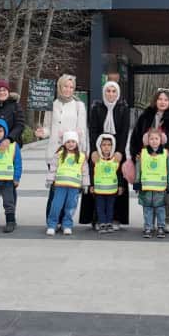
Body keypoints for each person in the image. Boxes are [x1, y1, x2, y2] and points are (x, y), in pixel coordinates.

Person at [128, 88, 169, 231]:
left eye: (166, 99)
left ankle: (166, 220)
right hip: (147, 160)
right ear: (155, 100)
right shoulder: (145, 116)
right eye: (160, 99)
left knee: (166, 191)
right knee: (149, 191)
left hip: (166, 160)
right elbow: (135, 136)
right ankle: (149, 221)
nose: (162, 102)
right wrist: (136, 153)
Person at [40, 74, 88, 232]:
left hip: (72, 153)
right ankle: (52, 221)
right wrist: (42, 131)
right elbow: (48, 127)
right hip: (54, 152)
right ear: (60, 87)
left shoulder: (79, 106)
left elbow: (82, 130)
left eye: (71, 87)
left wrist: (83, 151)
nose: (68, 90)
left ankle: (66, 221)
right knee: (55, 189)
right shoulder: (51, 104)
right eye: (65, 86)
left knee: (69, 190)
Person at [83, 81, 131, 230]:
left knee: (117, 185)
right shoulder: (96, 108)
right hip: (99, 149)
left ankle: (115, 218)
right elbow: (93, 130)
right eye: (108, 91)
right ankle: (96, 218)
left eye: (113, 91)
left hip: (116, 151)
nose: (111, 94)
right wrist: (94, 151)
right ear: (104, 93)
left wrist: (120, 152)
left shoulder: (123, 109)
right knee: (96, 183)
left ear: (117, 93)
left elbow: (124, 132)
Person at [46, 131, 89, 236]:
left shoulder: (82, 156)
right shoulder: (59, 155)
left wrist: (85, 184)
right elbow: (53, 168)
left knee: (70, 207)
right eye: (68, 141)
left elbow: (85, 171)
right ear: (64, 143)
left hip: (74, 187)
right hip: (60, 186)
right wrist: (50, 180)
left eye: (73, 141)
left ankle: (67, 225)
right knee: (56, 205)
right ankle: (52, 225)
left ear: (77, 143)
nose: (71, 144)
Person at [136, 127, 169, 239]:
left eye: (156, 138)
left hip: (161, 188)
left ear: (161, 140)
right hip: (146, 188)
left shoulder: (166, 154)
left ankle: (161, 227)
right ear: (147, 140)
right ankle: (148, 227)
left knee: (160, 209)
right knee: (147, 208)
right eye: (151, 138)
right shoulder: (142, 154)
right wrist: (137, 184)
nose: (154, 141)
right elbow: (138, 169)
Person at [90, 134, 122, 234]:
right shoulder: (96, 159)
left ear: (113, 146)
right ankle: (102, 223)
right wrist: (91, 185)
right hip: (99, 190)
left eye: (109, 145)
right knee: (100, 207)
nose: (107, 147)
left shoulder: (116, 159)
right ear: (99, 146)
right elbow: (92, 172)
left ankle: (109, 223)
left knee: (110, 207)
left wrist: (120, 186)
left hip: (112, 190)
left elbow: (119, 173)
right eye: (104, 145)